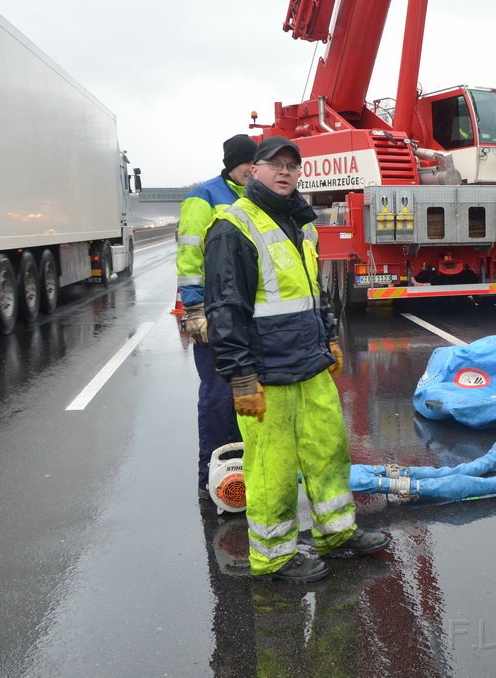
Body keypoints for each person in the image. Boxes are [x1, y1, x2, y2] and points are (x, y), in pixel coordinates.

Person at [203, 135, 389, 582]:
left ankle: (336, 533)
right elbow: (226, 310)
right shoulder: (234, 226)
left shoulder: (300, 223)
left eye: (293, 165)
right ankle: (276, 557)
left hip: (310, 364)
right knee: (273, 470)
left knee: (329, 453)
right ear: (255, 169)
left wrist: (329, 340)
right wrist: (241, 378)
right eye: (275, 164)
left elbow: (312, 293)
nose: (285, 172)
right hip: (267, 375)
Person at [177, 134, 257, 500]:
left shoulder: (257, 196)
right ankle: (208, 472)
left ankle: (242, 469)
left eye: (254, 164)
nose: (249, 170)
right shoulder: (205, 197)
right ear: (231, 164)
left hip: (249, 313)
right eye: (244, 163)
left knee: (248, 392)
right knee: (217, 395)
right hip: (213, 312)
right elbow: (190, 255)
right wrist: (194, 309)